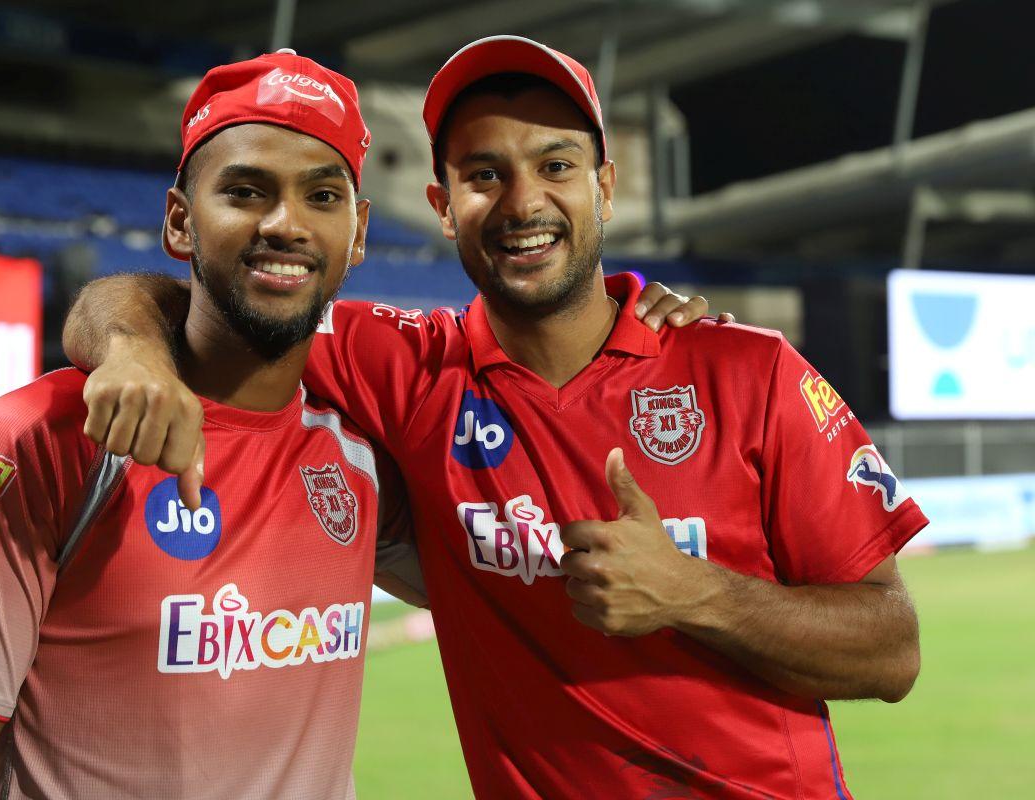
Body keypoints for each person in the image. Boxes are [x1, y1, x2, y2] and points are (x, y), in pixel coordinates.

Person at [63, 36, 924, 799]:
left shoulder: (750, 369)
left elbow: (892, 652)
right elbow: (159, 300)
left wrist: (700, 595)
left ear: (605, 186)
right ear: (441, 205)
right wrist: (133, 353)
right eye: (484, 175)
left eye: (555, 165)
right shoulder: (401, 364)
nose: (522, 202)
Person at [0, 51, 428, 800]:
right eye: (244, 191)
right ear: (179, 219)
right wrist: (128, 338)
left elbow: (504, 585)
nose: (285, 224)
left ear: (358, 233)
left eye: (322, 196)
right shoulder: (38, 439)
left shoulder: (360, 462)